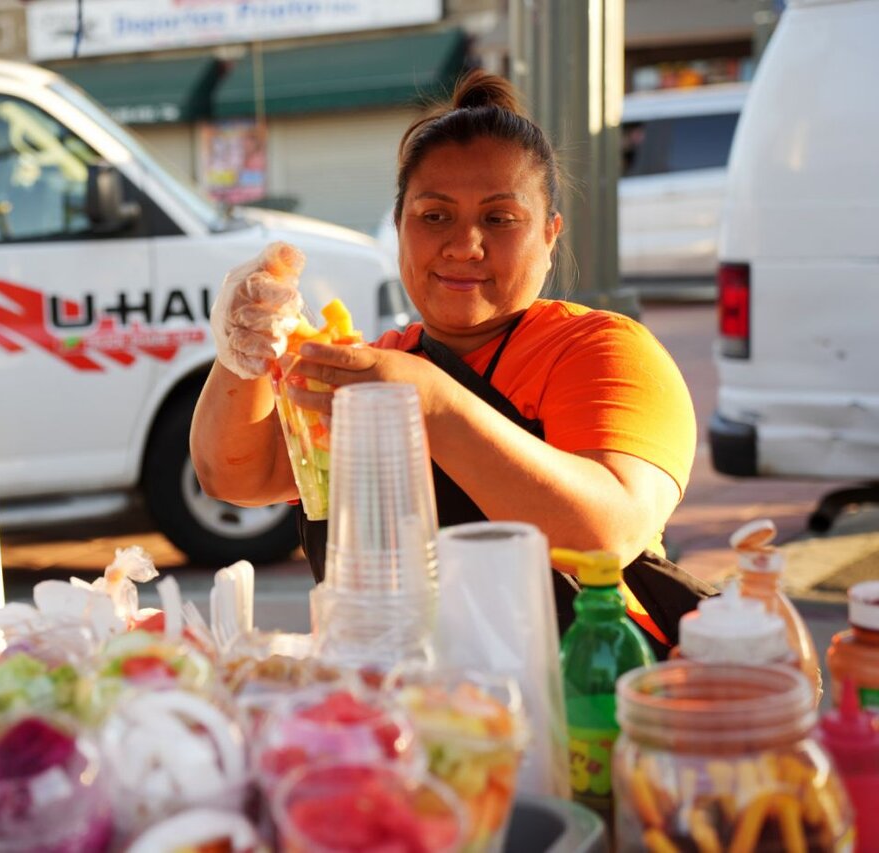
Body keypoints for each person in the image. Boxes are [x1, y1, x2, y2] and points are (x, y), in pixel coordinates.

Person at [190, 70, 711, 655]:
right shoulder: (378, 364)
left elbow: (606, 534)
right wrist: (243, 348)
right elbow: (236, 476)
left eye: (499, 218)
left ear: (550, 235)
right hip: (411, 712)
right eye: (434, 216)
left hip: (587, 706)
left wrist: (430, 403)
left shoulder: (600, 349)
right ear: (400, 227)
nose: (464, 244)